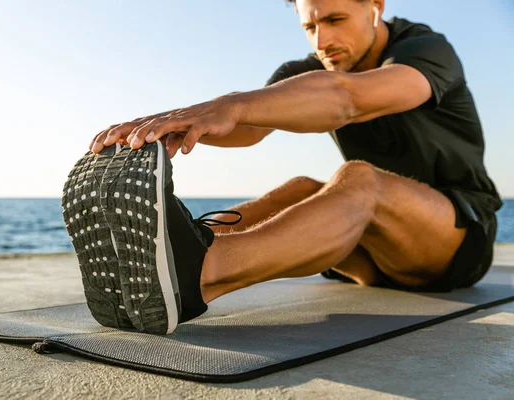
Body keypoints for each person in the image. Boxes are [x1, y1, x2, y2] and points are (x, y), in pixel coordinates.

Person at [63, 0, 502, 335]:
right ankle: (167, 253)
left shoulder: (425, 50)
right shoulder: (310, 70)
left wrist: (229, 105)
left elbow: (346, 99)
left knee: (358, 180)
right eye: (309, 26)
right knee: (303, 187)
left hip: (457, 240)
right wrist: (176, 127)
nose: (320, 40)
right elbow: (250, 126)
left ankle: (197, 278)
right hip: (373, 256)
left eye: (334, 20)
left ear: (376, 6)